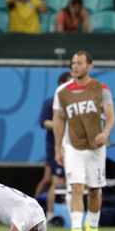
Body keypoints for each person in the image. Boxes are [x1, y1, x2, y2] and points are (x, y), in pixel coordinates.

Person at [52, 51, 115, 231]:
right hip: (73, 145)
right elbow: (58, 119)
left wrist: (105, 133)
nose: (75, 67)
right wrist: (57, 147)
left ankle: (93, 227)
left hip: (96, 146)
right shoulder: (62, 92)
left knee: (95, 190)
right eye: (73, 63)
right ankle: (76, 229)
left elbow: (111, 116)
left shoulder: (101, 88)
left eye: (80, 63)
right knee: (76, 187)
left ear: (90, 66)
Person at [36, 72, 71, 222]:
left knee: (59, 180)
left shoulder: (73, 102)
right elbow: (44, 122)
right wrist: (61, 125)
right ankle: (46, 214)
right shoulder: (51, 102)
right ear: (61, 84)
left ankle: (64, 215)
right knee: (55, 182)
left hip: (70, 147)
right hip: (54, 147)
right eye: (69, 82)